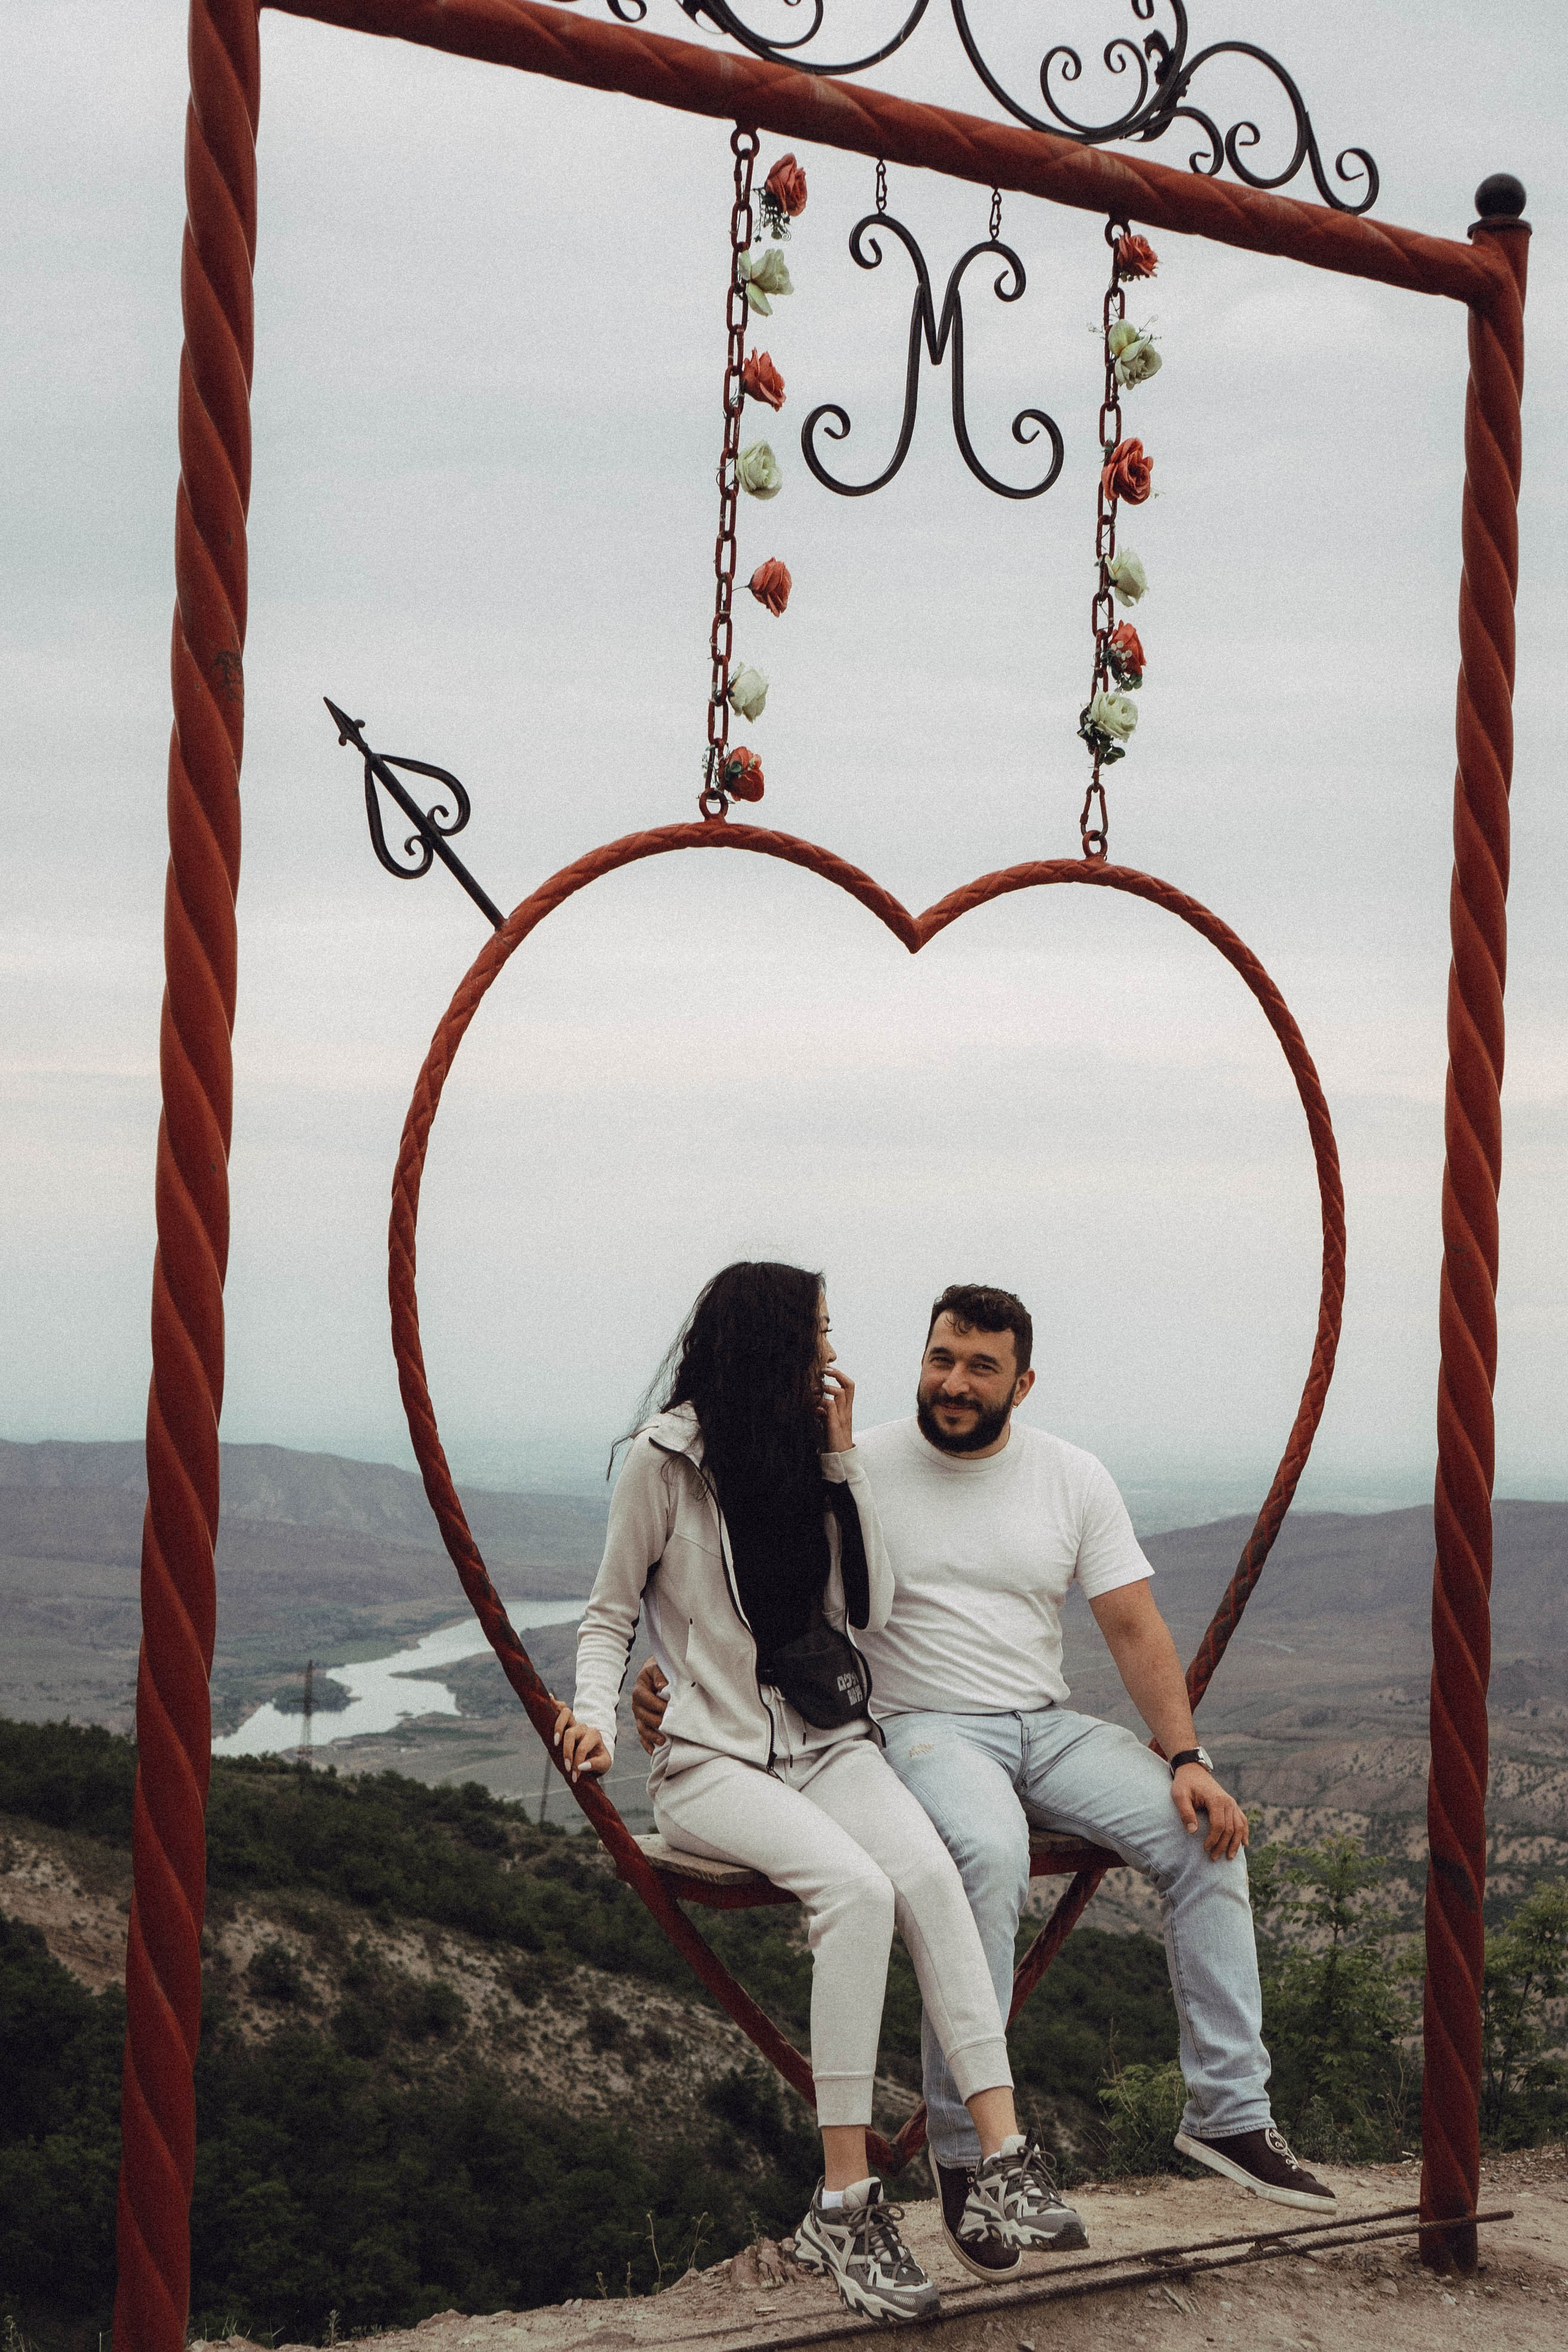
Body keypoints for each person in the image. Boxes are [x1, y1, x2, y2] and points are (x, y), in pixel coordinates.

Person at [633, 1281, 1336, 2268]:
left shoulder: (1071, 1477)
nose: (953, 1384)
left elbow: (1132, 1626)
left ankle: (1228, 2114)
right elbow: (754, 1584)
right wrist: (676, 1682)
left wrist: (1186, 1756)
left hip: (1043, 1725)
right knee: (988, 1857)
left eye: (980, 1368)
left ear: (1022, 1382)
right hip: (921, 1729)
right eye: (940, 1360)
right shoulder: (857, 1458)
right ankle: (967, 2163)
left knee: (1205, 1838)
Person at [552, 1262, 1082, 2324]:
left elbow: (869, 1605)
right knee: (856, 1892)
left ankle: (1007, 2155)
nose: (832, 1357)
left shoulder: (808, 1452)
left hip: (829, 1741)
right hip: (713, 1763)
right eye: (818, 1335)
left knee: (929, 1874)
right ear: (766, 1343)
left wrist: (841, 1461)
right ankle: (844, 2203)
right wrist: (597, 1720)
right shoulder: (664, 1463)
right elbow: (608, 1615)